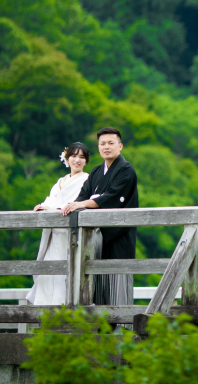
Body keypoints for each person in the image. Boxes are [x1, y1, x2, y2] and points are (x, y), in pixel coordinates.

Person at [63, 127, 138, 308]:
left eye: (111, 143)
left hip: (118, 235)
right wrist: (75, 204)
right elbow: (81, 197)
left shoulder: (126, 170)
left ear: (120, 146)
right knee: (96, 283)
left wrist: (85, 203)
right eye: (102, 144)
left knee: (116, 282)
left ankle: (120, 324)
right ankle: (101, 327)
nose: (106, 147)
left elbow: (112, 197)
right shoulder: (96, 172)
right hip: (96, 238)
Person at [26, 142, 91, 305]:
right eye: (74, 156)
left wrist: (51, 208)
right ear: (67, 159)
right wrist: (42, 206)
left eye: (81, 157)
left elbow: (76, 202)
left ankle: (66, 310)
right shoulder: (61, 181)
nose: (77, 160)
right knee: (48, 272)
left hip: (70, 232)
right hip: (53, 232)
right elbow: (51, 199)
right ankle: (46, 310)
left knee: (67, 273)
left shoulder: (87, 180)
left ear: (86, 161)